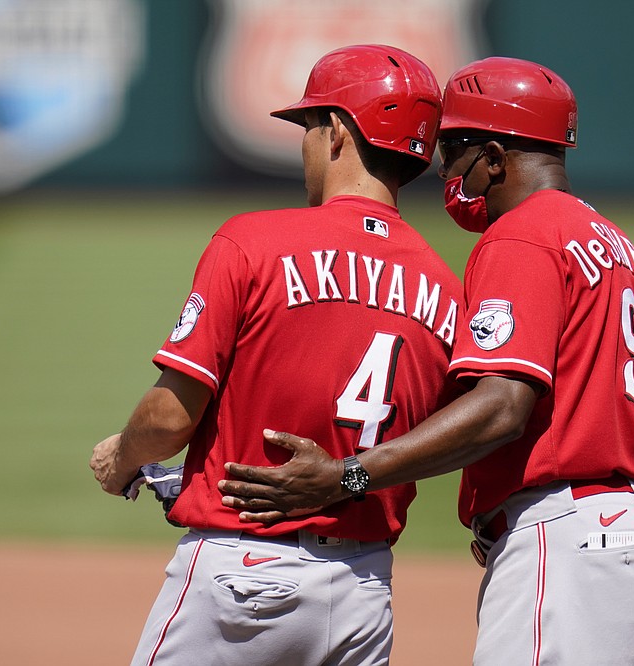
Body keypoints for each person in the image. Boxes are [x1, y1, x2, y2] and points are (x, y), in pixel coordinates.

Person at [220, 56, 634, 665]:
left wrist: (349, 475)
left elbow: (502, 407)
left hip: (574, 537)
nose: (444, 167)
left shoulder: (523, 234)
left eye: (454, 150)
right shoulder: (626, 254)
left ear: (493, 158)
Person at [89, 44, 464, 666]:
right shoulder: (448, 291)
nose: (305, 145)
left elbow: (169, 420)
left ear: (340, 133)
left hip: (243, 579)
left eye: (311, 126)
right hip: (364, 592)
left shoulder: (253, 241)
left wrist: (122, 458)